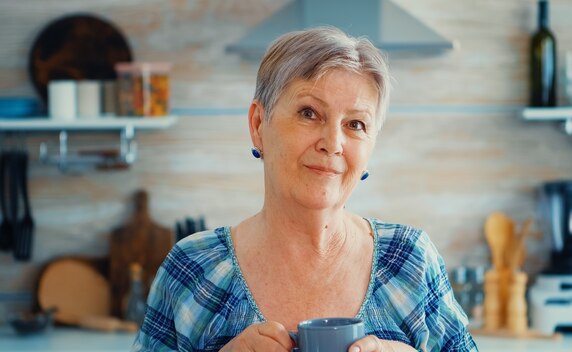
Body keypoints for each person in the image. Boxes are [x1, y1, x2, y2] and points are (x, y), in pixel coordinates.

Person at [133, 26, 477, 352]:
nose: (333, 143)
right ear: (257, 125)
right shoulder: (194, 268)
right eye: (309, 113)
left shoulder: (410, 260)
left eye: (355, 124)